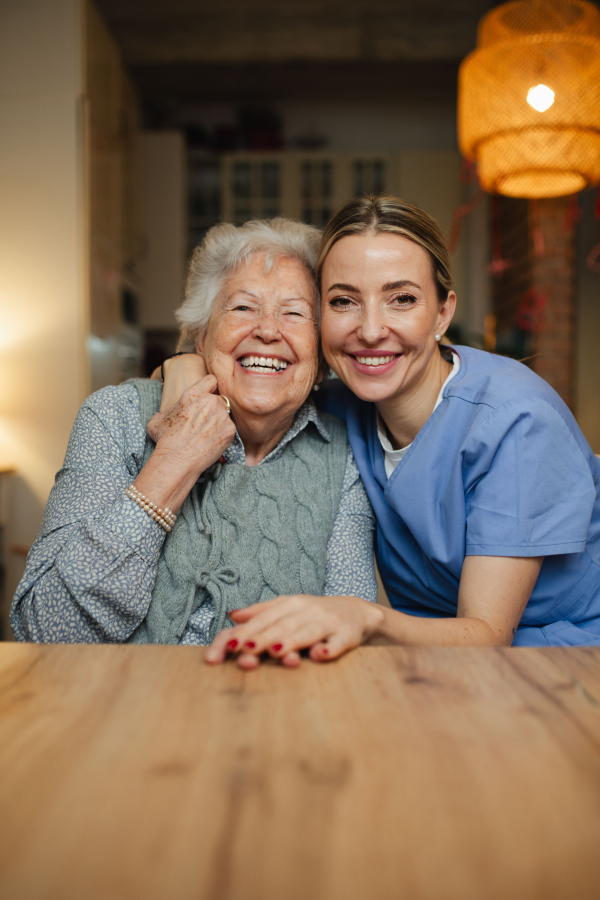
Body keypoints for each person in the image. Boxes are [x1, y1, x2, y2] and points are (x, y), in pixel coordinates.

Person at [202, 195, 600, 665]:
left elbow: (489, 634)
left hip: (561, 657)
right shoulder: (341, 403)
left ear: (442, 313)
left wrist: (364, 617)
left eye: (402, 299)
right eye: (344, 301)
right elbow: (245, 371)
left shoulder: (515, 422)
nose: (370, 330)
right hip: (432, 660)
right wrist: (187, 371)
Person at [11, 218, 377, 657]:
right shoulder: (115, 417)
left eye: (295, 313)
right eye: (242, 307)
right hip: (121, 713)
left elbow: (346, 633)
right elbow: (46, 633)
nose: (267, 330)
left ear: (322, 355)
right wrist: (175, 461)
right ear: (201, 337)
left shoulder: (344, 454)